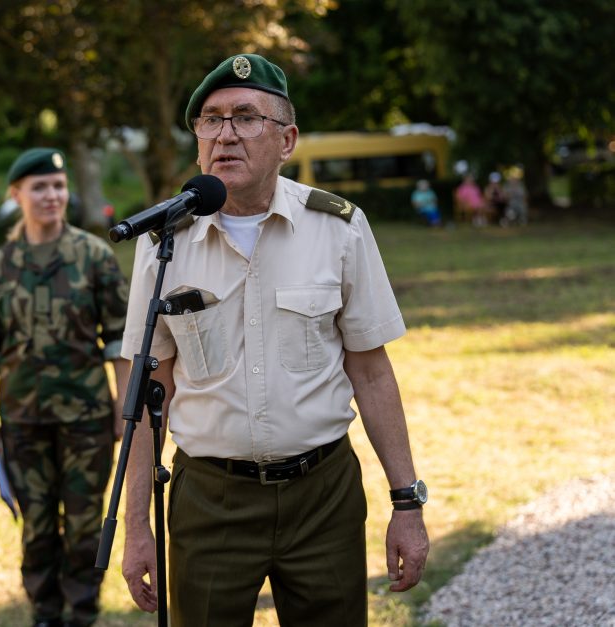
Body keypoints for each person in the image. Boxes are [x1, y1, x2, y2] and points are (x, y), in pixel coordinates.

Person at [119, 54, 429, 626]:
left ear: (287, 140)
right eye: (210, 120)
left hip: (323, 496)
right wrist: (137, 526)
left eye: (245, 117)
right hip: (210, 499)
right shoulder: (165, 243)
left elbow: (371, 370)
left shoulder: (337, 227)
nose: (225, 135)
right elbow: (145, 387)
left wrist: (406, 502)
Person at [0, 148, 131, 627]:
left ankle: (81, 613)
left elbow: (120, 339)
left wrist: (124, 404)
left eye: (58, 186)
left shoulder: (94, 256)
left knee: (84, 526)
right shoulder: (0, 266)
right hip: (22, 420)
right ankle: (44, 613)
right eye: (40, 187)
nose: (52, 195)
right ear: (16, 195)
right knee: (37, 527)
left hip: (87, 419)